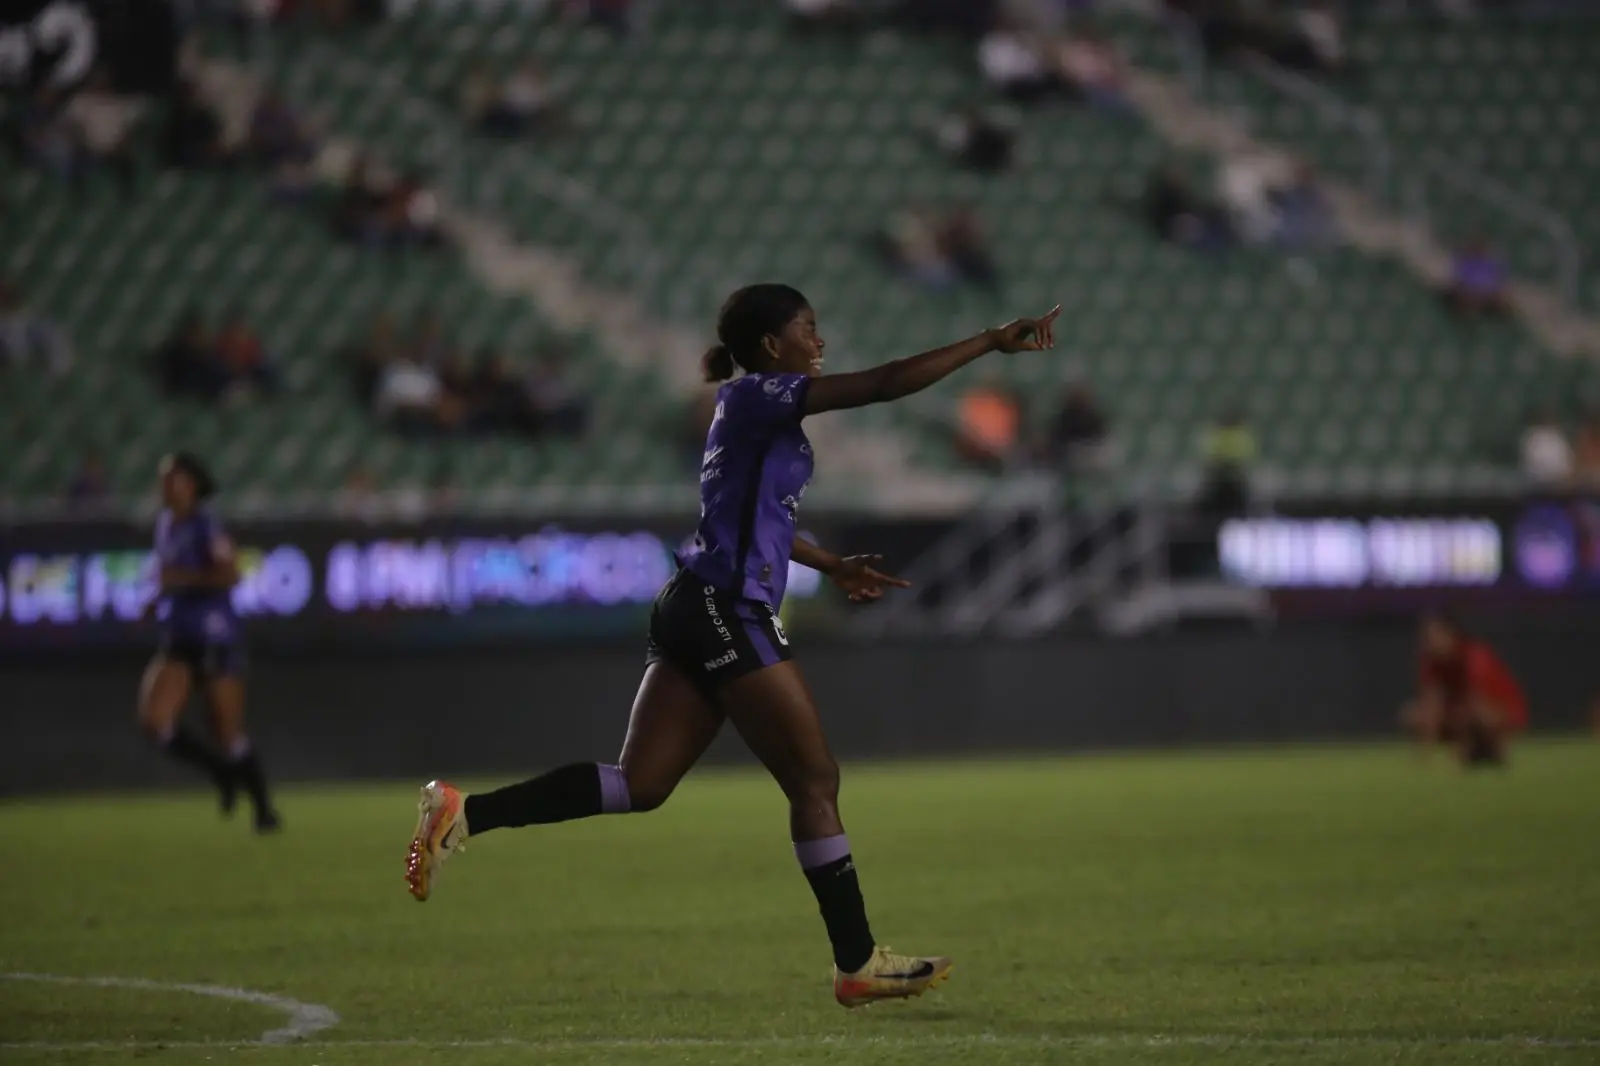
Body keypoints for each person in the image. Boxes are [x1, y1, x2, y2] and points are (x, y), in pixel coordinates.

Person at [405, 284, 1060, 1006]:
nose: (820, 340)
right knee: (814, 780)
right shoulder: (761, 396)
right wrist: (987, 341)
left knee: (640, 785)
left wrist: (830, 564)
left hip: (695, 603)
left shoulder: (748, 410)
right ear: (773, 346)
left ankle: (464, 812)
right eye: (808, 327)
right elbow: (883, 384)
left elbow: (755, 517)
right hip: (725, 607)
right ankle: (857, 961)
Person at [138, 453, 280, 832]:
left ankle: (264, 810)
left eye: (172, 478)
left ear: (192, 484)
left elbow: (230, 575)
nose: (164, 487)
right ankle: (221, 773)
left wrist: (179, 580)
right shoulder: (166, 524)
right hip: (180, 636)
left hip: (216, 637)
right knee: (155, 720)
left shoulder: (206, 524)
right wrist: (156, 597)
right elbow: (170, 576)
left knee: (226, 730)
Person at [1401, 612, 1527, 768]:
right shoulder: (1430, 660)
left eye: (1434, 637)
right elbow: (1432, 703)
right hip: (1461, 712)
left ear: (1451, 635)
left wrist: (1460, 749)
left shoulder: (1474, 656)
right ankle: (1476, 753)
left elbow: (1477, 702)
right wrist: (1424, 758)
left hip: (1500, 711)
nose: (1429, 643)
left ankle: (1494, 750)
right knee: (1413, 715)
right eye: (1426, 638)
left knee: (1476, 715)